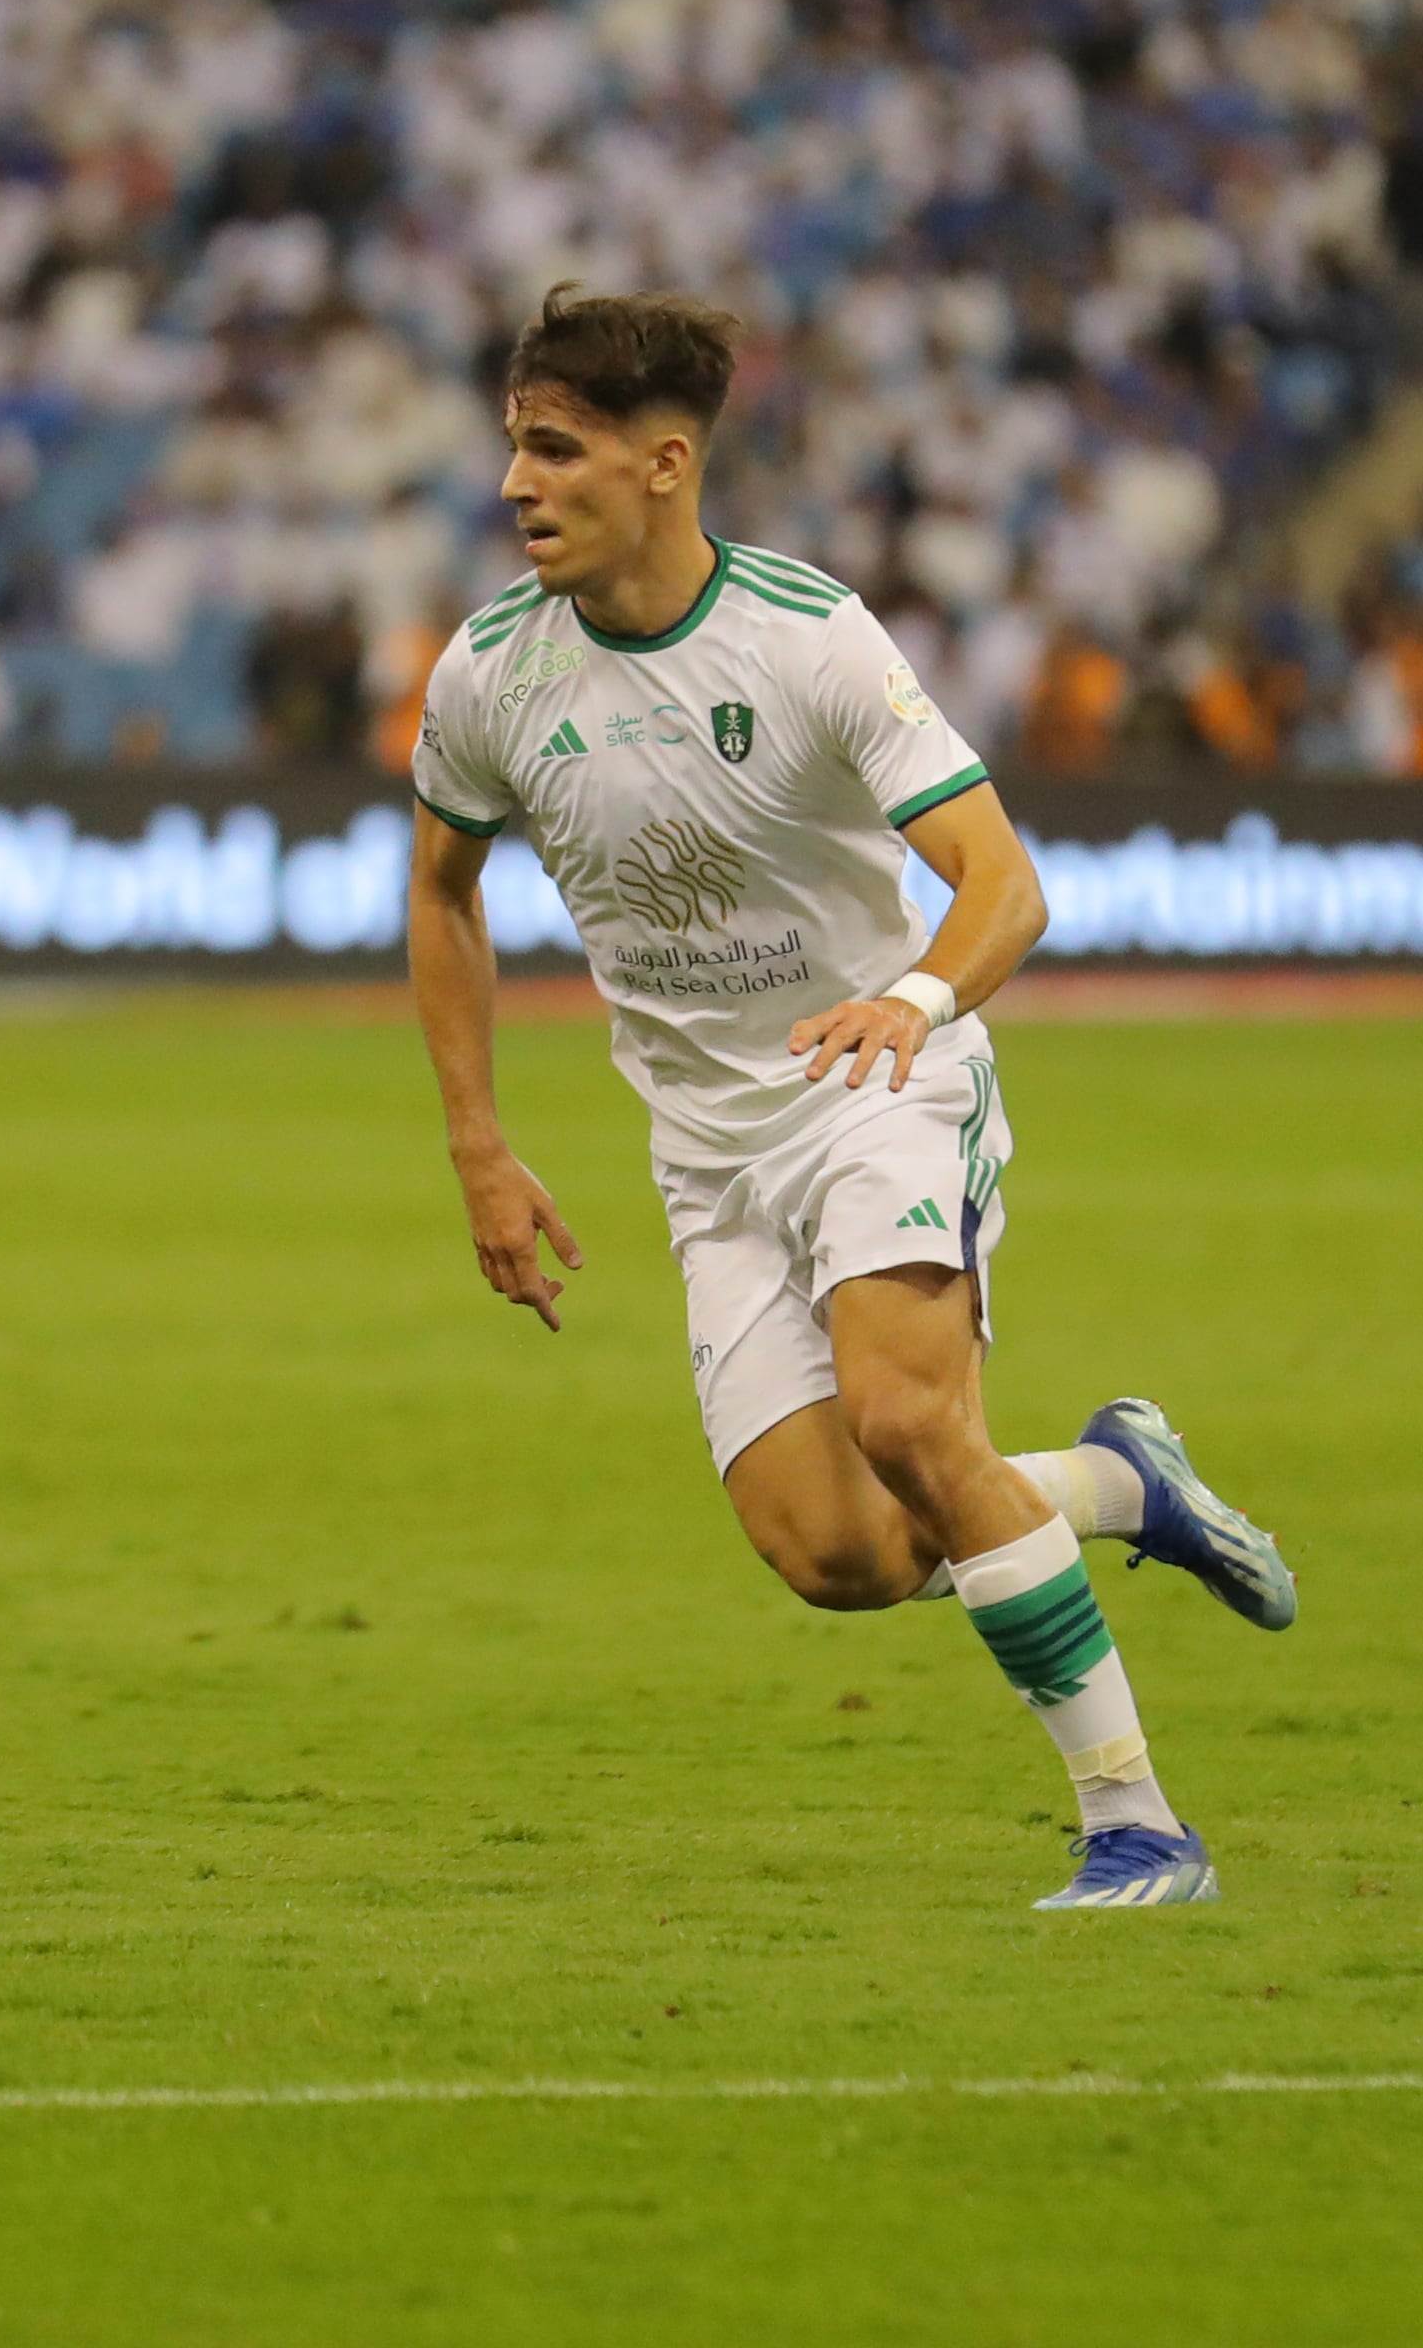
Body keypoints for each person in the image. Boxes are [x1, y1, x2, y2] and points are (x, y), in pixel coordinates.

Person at [404, 286, 1296, 1913]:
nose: (518, 485)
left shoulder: (807, 637)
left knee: (905, 1419)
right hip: (709, 1145)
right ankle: (1115, 1483)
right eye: (514, 449)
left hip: (881, 1075)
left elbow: (1002, 887)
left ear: (664, 464)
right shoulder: (484, 678)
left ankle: (1136, 1826)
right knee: (846, 1555)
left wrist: (913, 999)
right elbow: (441, 895)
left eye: (556, 450)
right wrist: (477, 1139)